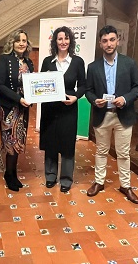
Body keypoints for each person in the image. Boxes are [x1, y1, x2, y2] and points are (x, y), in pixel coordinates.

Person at [85, 25, 138, 204]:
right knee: (101, 151)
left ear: (117, 41)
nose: (109, 44)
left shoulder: (130, 63)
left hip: (123, 115)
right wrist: (95, 100)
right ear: (100, 44)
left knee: (123, 153)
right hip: (103, 115)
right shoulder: (93, 67)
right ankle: (99, 182)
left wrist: (125, 99)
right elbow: (88, 91)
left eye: (112, 39)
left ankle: (125, 186)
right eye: (105, 41)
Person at [39, 26, 86, 193]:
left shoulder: (78, 61)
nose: (63, 42)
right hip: (50, 109)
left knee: (67, 143)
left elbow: (83, 85)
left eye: (66, 39)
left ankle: (66, 178)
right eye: (60, 39)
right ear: (55, 41)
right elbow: (40, 84)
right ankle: (50, 176)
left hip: (69, 108)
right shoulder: (47, 61)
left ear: (70, 41)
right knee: (51, 141)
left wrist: (76, 97)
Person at [0, 29, 34, 191]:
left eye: (24, 41)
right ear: (12, 43)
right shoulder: (4, 60)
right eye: (18, 41)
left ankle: (13, 173)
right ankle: (8, 174)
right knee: (11, 141)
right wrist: (19, 99)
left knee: (19, 140)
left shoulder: (28, 62)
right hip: (9, 108)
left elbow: (32, 83)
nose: (21, 43)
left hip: (23, 108)